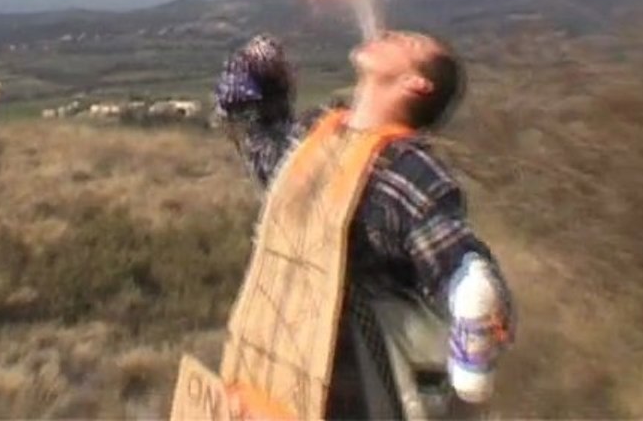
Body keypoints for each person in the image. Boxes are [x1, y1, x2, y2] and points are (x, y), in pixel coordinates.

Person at [214, 32, 515, 420]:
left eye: (409, 43)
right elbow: (270, 162)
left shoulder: (410, 169)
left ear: (416, 83)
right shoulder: (319, 134)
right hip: (275, 378)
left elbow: (459, 268)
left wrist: (475, 300)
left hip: (353, 394)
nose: (391, 34)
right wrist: (256, 94)